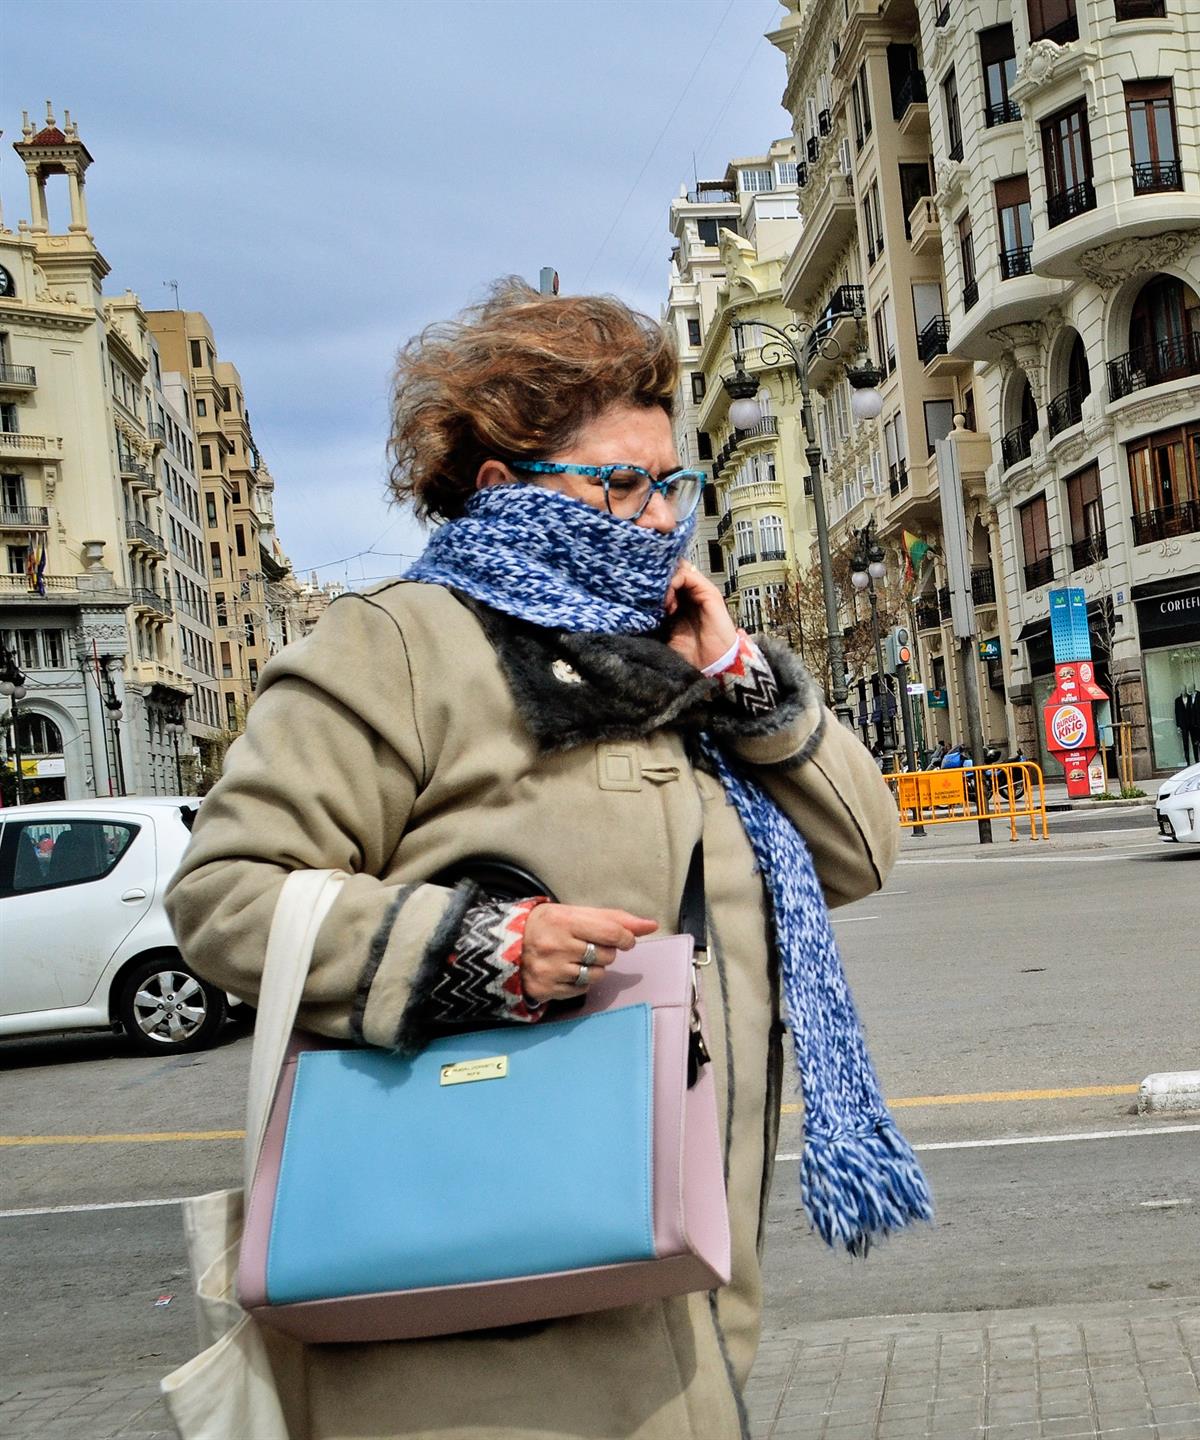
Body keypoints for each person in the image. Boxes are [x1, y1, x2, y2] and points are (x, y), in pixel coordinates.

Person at [164, 280, 927, 1440]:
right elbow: (225, 893)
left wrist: (745, 685)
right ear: (501, 489)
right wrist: (479, 949)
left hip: (676, 1294)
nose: (653, 514)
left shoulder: (668, 656)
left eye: (672, 483)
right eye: (620, 482)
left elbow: (861, 853)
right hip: (483, 1311)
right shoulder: (399, 644)